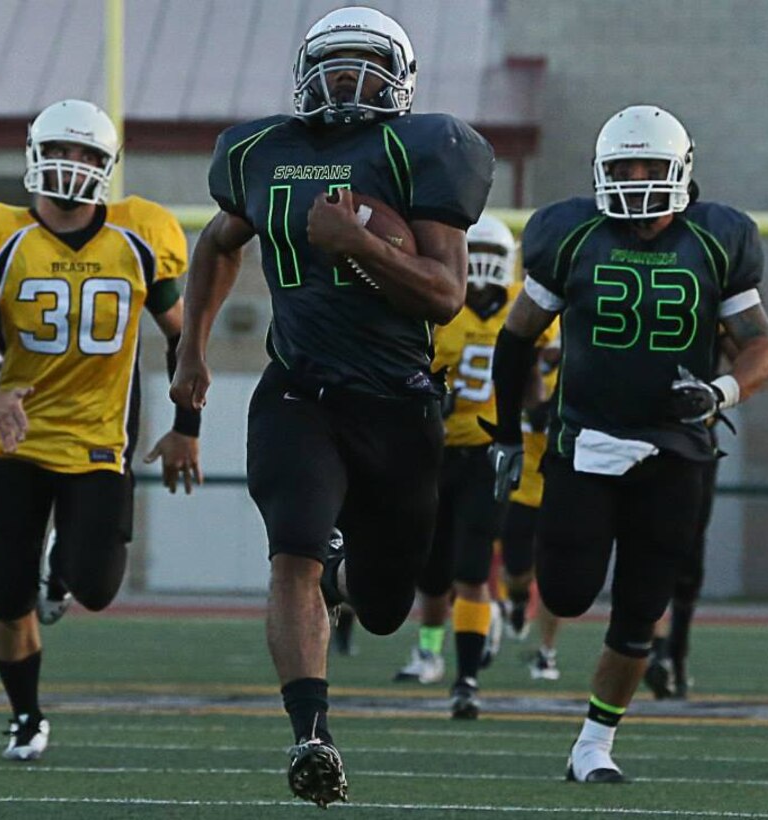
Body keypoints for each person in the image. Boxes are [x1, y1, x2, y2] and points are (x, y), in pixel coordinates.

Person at [170, 6, 493, 807]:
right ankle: (310, 734)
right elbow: (217, 242)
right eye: (334, 63)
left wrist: (359, 247)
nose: (347, 80)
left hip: (396, 402)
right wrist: (189, 349)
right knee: (292, 555)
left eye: (365, 65)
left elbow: (447, 296)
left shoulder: (420, 148)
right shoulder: (261, 149)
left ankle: (347, 574)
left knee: (384, 606)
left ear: (401, 80)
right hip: (298, 391)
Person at [486, 105, 768, 783]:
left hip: (675, 450)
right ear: (599, 171)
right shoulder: (569, 234)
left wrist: (718, 394)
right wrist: (506, 433)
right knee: (563, 593)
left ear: (679, 169)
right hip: (584, 440)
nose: (636, 180)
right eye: (623, 168)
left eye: (649, 167)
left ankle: (593, 745)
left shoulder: (716, 240)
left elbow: (760, 346)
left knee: (643, 610)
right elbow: (516, 337)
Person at [0, 98, 200, 762]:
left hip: (98, 434)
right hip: (16, 434)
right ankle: (26, 716)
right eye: (59, 150)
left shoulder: (142, 233)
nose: (70, 165)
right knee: (3, 586)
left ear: (107, 165)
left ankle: (60, 575)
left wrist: (186, 427)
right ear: (33, 154)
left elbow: (184, 343)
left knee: (95, 586)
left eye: (85, 154)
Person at [391, 213, 517, 719]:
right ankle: (430, 649)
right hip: (439, 453)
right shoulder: (441, 308)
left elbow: (540, 378)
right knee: (432, 569)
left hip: (489, 454)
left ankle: (465, 678)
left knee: (469, 568)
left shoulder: (525, 311)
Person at [644, 331, 737, 700]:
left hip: (692, 440)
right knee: (649, 549)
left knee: (683, 552)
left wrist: (717, 393)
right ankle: (657, 650)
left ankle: (670, 653)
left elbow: (752, 355)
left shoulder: (714, 305)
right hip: (639, 434)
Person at [498, 319, 563, 681]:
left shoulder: (573, 373)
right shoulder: (524, 368)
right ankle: (519, 601)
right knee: (518, 573)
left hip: (560, 491)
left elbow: (543, 413)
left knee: (555, 577)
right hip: (524, 490)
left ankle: (547, 652)